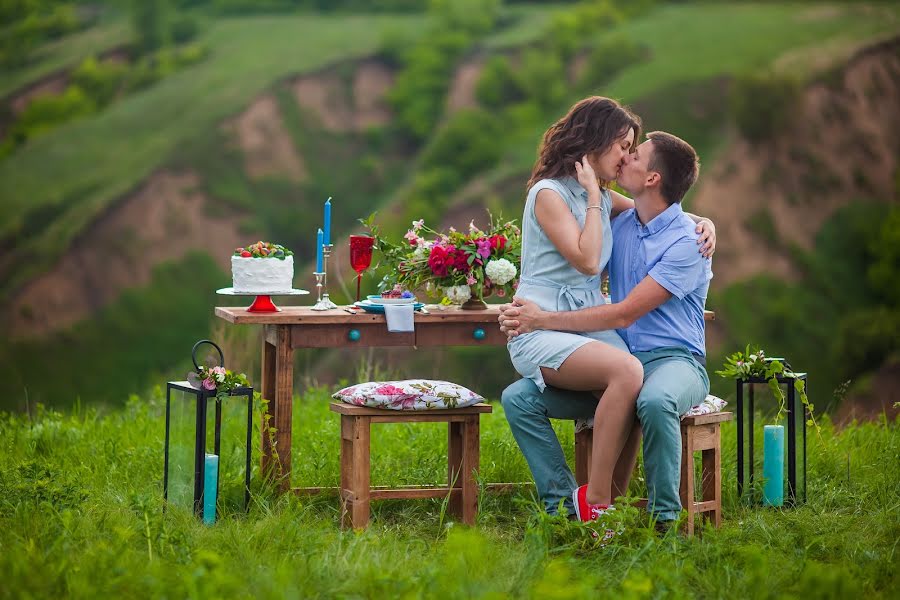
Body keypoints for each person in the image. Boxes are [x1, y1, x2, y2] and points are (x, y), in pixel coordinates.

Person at [506, 97, 715, 523]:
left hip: (590, 327)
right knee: (620, 374)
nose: (624, 158)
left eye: (632, 151)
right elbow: (587, 259)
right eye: (623, 146)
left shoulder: (604, 197)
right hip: (543, 322)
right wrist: (593, 196)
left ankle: (605, 509)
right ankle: (588, 502)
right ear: (595, 141)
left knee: (631, 379)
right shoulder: (552, 194)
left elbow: (663, 209)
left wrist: (705, 223)